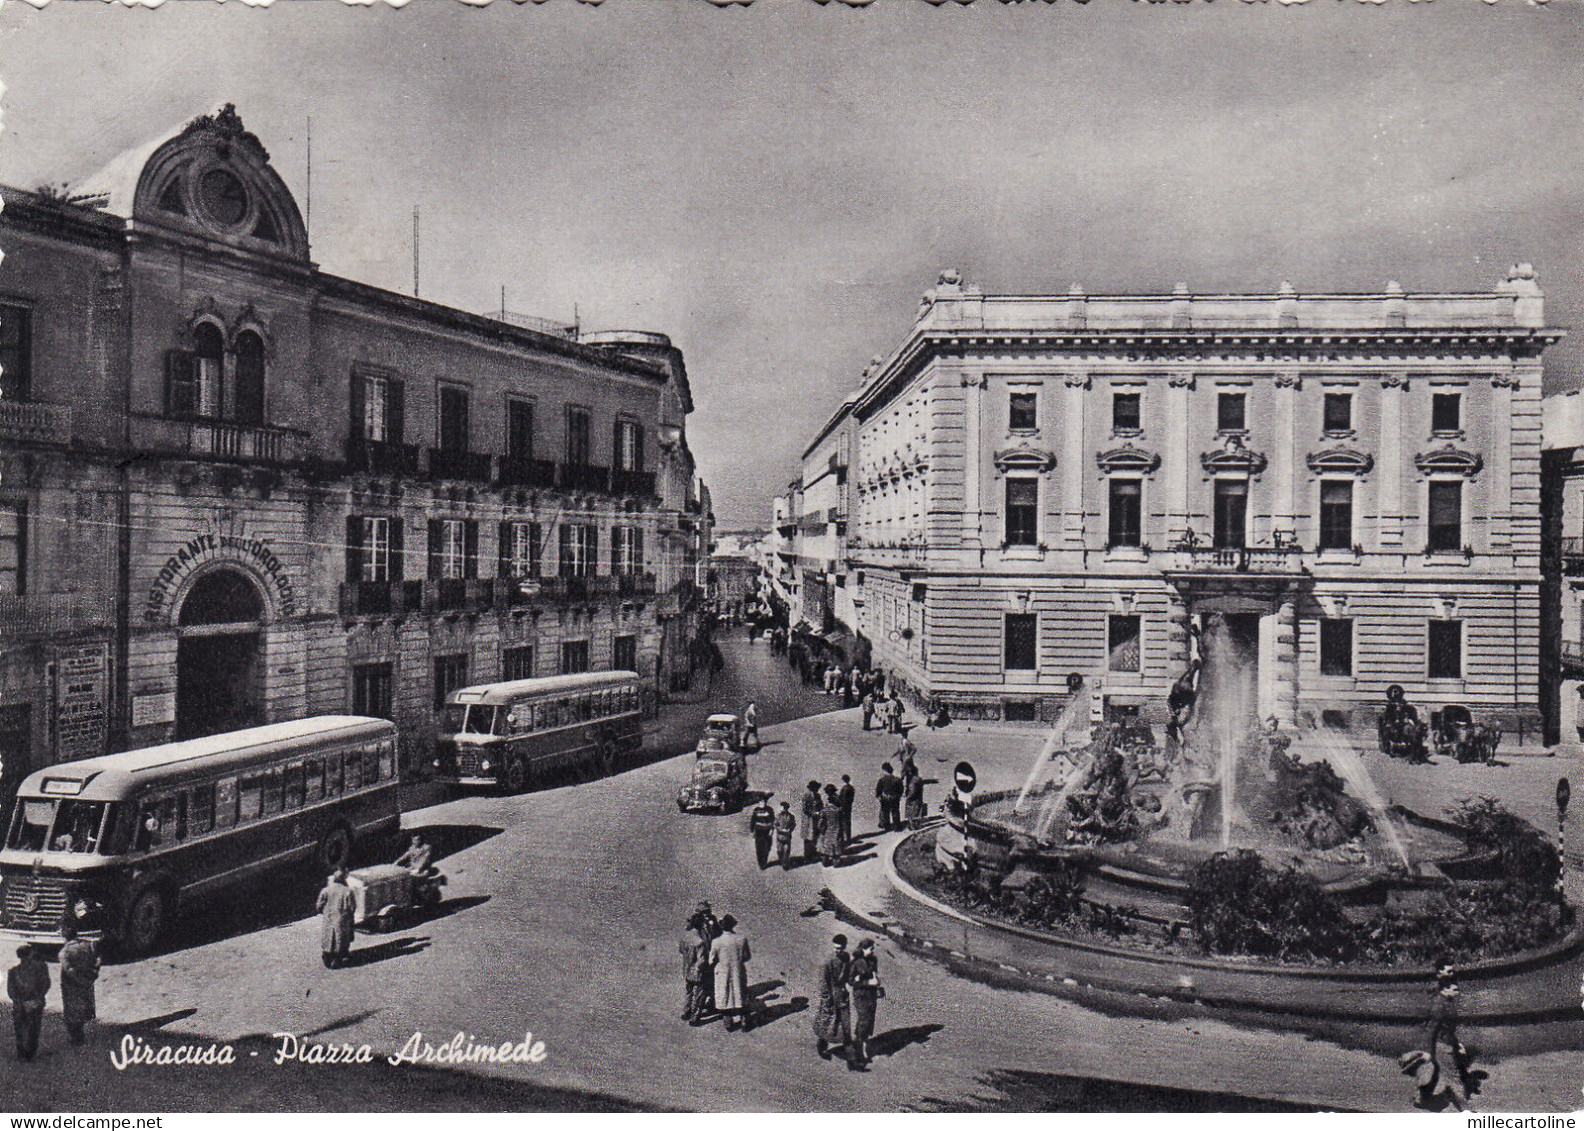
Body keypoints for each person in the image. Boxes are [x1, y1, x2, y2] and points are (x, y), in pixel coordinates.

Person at [58, 921, 100, 1047]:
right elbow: (97, 961)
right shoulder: (88, 945)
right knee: (84, 1007)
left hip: (72, 987)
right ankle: (80, 1034)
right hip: (86, 983)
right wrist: (92, 975)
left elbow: (68, 970)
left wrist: (77, 980)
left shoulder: (64, 952)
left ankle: (77, 1039)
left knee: (72, 1013)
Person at [709, 915, 753, 1032]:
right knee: (740, 994)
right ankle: (744, 1021)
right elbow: (747, 956)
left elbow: (711, 960)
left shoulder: (716, 942)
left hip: (723, 972)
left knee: (724, 995)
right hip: (738, 970)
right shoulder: (741, 939)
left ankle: (728, 1022)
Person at [846, 938, 883, 1069]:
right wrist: (867, 983)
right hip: (860, 996)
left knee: (869, 1021)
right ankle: (858, 1052)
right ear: (863, 949)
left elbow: (875, 974)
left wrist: (877, 983)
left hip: (871, 995)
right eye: (870, 948)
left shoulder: (873, 960)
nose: (872, 951)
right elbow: (850, 981)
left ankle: (864, 1047)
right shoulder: (855, 963)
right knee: (863, 1021)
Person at [813, 934, 851, 1061]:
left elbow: (848, 975)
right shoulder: (828, 962)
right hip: (831, 997)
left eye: (840, 948)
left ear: (844, 947)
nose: (837, 950)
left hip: (842, 994)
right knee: (827, 1021)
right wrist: (826, 999)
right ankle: (822, 1047)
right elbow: (823, 982)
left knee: (844, 1021)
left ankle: (846, 1046)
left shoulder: (846, 958)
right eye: (835, 948)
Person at [7, 944, 48, 1061]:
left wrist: (19, 1002)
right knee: (33, 1028)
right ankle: (30, 1053)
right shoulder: (41, 969)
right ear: (31, 955)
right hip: (35, 1003)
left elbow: (11, 991)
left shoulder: (13, 972)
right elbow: (45, 985)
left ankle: (22, 1053)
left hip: (19, 1005)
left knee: (20, 1029)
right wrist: (38, 999)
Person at [316, 867, 357, 969]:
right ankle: (339, 957)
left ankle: (328, 956)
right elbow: (352, 907)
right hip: (342, 919)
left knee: (329, 937)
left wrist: (325, 912)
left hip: (328, 919)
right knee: (341, 938)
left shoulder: (325, 890)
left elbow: (318, 906)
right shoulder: (348, 891)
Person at [679, 913, 711, 1023]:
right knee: (698, 994)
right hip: (697, 973)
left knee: (688, 991)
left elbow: (681, 951)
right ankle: (695, 1015)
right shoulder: (700, 941)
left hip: (687, 969)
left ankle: (685, 1011)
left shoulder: (685, 938)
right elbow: (701, 959)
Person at [818, 786, 844, 866]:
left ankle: (826, 859)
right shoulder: (837, 804)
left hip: (828, 828)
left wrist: (821, 828)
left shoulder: (826, 809)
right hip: (836, 827)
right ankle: (835, 860)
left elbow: (821, 821)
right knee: (835, 843)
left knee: (826, 843)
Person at [749, 797, 776, 870]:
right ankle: (761, 864)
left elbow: (773, 820)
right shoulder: (756, 810)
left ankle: (764, 861)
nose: (762, 803)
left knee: (767, 847)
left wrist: (772, 830)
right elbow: (753, 820)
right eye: (760, 802)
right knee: (759, 848)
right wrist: (752, 830)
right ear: (758, 803)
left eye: (763, 802)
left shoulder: (769, 810)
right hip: (759, 831)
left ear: (766, 803)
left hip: (767, 831)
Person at [801, 781, 824, 864]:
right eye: (815, 788)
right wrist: (813, 813)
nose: (816, 790)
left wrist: (821, 812)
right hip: (808, 821)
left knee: (815, 837)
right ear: (811, 788)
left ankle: (813, 854)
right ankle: (807, 857)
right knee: (808, 839)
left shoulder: (818, 795)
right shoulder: (806, 796)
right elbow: (804, 808)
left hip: (816, 820)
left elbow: (821, 805)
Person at [875, 764, 903, 831]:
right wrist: (898, 796)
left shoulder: (882, 780)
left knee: (885, 813)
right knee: (895, 812)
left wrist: (879, 797)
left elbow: (878, 790)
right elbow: (901, 789)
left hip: (885, 798)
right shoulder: (897, 780)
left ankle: (887, 827)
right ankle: (897, 827)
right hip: (895, 798)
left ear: (884, 770)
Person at [774, 801, 797, 870]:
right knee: (779, 850)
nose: (783, 809)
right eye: (782, 808)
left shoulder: (791, 816)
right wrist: (780, 829)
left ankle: (785, 864)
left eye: (785, 808)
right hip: (780, 836)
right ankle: (781, 860)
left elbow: (793, 824)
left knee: (786, 850)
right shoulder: (778, 816)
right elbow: (775, 824)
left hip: (787, 836)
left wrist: (790, 830)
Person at [837, 775, 856, 846]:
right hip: (848, 807)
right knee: (848, 823)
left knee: (843, 823)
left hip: (844, 808)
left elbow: (843, 799)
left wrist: (841, 806)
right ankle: (848, 838)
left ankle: (845, 839)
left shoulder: (845, 788)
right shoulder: (851, 788)